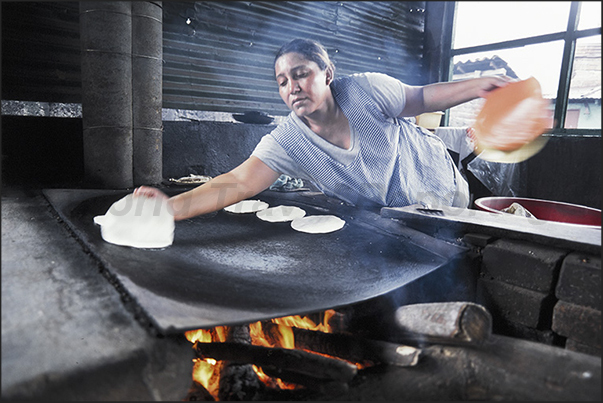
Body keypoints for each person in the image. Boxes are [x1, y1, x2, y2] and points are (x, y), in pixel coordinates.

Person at [134, 38, 510, 221]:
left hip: (443, 188)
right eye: (282, 81)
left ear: (327, 75)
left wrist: (477, 85)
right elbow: (237, 182)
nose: (292, 87)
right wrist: (171, 208)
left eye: (301, 74)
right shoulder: (288, 140)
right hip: (402, 218)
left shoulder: (366, 91)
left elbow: (422, 98)